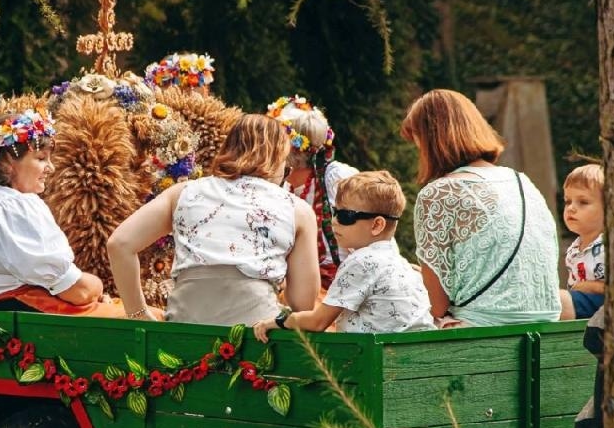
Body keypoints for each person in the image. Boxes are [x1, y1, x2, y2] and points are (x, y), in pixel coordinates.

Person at [109, 114, 320, 325]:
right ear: (276, 161)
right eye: (285, 167)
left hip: (184, 327)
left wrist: (138, 314)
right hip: (257, 335)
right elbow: (303, 304)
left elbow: (120, 244)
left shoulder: (184, 193)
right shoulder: (296, 209)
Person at [401, 89, 560, 327]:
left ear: (431, 141)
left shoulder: (439, 193)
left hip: (482, 329)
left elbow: (437, 305)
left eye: (418, 144)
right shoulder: (521, 181)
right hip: (547, 321)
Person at [0, 108, 106, 312]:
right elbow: (76, 291)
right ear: (6, 162)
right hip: (6, 311)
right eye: (40, 158)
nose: (51, 168)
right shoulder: (7, 206)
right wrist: (97, 286)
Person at [252, 171, 433, 340]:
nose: (334, 221)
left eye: (346, 216)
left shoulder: (362, 261)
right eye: (334, 212)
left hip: (372, 362)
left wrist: (280, 321)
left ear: (377, 225)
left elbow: (318, 321)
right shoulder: (404, 266)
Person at [267, 95, 358, 288]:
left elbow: (373, 238)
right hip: (298, 285)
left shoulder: (339, 179)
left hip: (345, 286)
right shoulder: (279, 184)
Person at [559, 163, 606, 321]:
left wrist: (589, 287)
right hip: (582, 307)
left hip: (603, 308)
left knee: (557, 303)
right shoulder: (574, 249)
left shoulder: (610, 246)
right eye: (567, 201)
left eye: (583, 202)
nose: (571, 208)